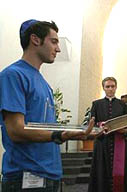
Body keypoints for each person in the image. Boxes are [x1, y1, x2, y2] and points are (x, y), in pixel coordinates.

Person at [0, 19, 98, 192]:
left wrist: (79, 133)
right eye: (54, 41)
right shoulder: (13, 75)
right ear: (35, 40)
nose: (58, 49)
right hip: (25, 176)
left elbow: (47, 127)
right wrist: (63, 135)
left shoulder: (44, 84)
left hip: (50, 174)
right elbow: (15, 130)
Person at [88, 77, 127, 192]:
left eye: (112, 86)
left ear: (116, 87)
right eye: (107, 86)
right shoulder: (96, 104)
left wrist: (124, 129)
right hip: (102, 143)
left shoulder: (122, 104)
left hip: (119, 142)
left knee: (121, 172)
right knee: (101, 171)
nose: (110, 89)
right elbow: (92, 125)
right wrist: (101, 126)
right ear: (103, 88)